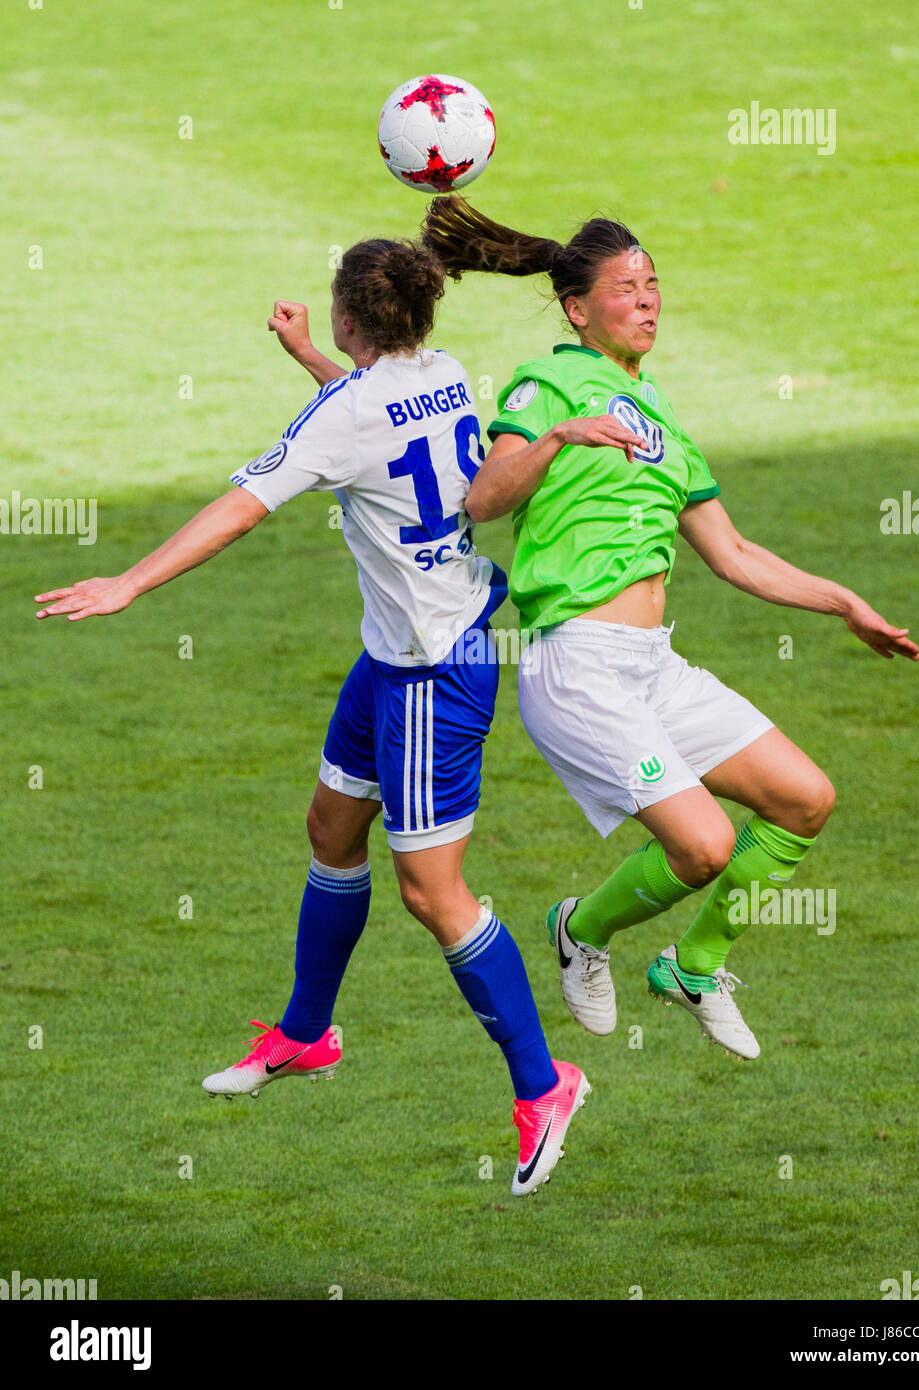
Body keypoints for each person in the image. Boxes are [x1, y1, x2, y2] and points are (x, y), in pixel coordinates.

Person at [34, 236, 589, 1195]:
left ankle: (545, 1086)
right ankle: (305, 1034)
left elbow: (243, 506)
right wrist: (310, 362)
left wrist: (130, 581)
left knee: (434, 896)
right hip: (392, 659)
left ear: (347, 317)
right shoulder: (442, 373)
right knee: (331, 830)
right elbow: (373, 427)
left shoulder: (346, 410)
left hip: (431, 673)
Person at [422, 196, 919, 1059]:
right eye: (626, 286)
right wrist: (557, 439)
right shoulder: (549, 384)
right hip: (576, 663)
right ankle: (581, 929)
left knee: (804, 800)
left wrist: (843, 604)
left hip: (652, 665)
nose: (648, 299)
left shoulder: (663, 420)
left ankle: (695, 965)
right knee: (704, 846)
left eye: (654, 284)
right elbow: (481, 501)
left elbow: (732, 553)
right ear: (578, 309)